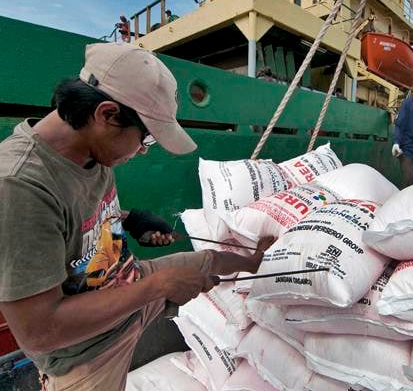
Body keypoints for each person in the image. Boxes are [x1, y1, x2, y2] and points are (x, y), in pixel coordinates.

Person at [0, 43, 275, 390]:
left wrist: (130, 219)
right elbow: (38, 331)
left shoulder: (90, 150)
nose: (142, 151)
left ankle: (255, 262)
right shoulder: (18, 186)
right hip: (89, 352)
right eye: (145, 139)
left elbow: (70, 218)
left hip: (123, 283)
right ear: (107, 114)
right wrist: (158, 286)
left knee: (206, 260)